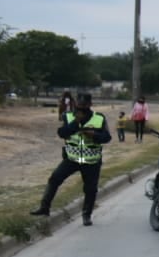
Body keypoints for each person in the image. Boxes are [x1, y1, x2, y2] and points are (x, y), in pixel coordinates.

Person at [30, 93, 111, 226]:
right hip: (71, 159)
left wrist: (94, 134)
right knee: (54, 178)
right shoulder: (68, 116)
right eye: (79, 105)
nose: (81, 108)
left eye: (84, 106)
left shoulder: (99, 118)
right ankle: (44, 208)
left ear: (90, 105)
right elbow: (62, 133)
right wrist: (76, 122)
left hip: (91, 161)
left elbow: (107, 137)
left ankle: (87, 215)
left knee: (90, 189)